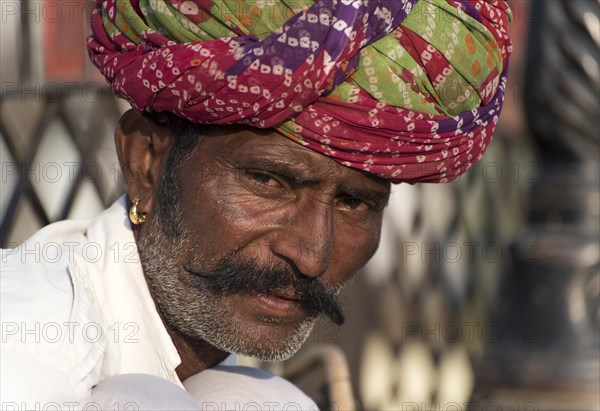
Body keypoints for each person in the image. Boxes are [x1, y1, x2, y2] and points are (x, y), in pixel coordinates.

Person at [1, 0, 512, 408]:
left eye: (355, 204)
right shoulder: (32, 363)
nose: (311, 254)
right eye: (268, 181)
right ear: (145, 161)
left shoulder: (215, 381)